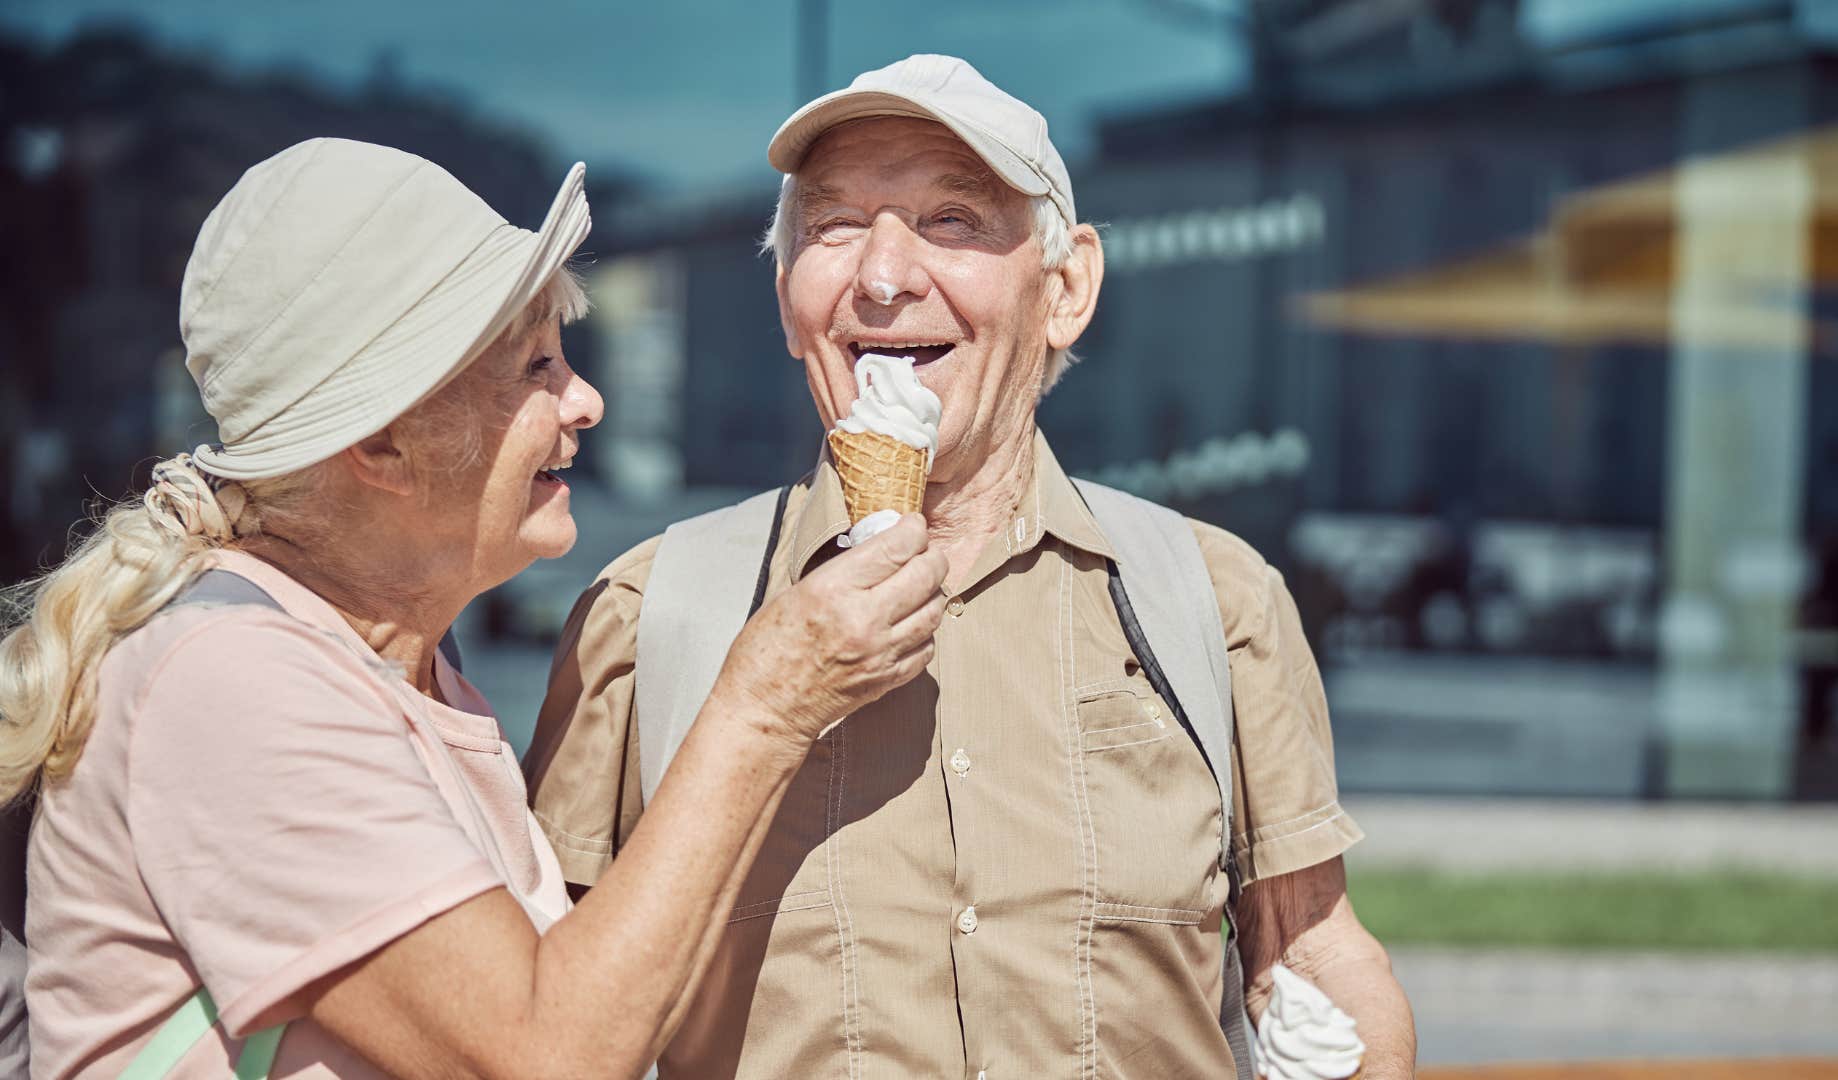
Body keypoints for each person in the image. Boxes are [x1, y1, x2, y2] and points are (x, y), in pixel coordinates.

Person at [526, 55, 1415, 1078]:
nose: (884, 276)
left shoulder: (1216, 602)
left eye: (951, 221)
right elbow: (545, 1020)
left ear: (1065, 290)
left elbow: (1312, 955)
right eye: (835, 227)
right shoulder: (650, 615)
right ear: (785, 298)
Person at [0, 137, 945, 1078]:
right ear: (382, 442)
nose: (585, 400)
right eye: (534, 367)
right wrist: (767, 704)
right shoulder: (230, 684)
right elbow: (549, 1053)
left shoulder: (403, 673)